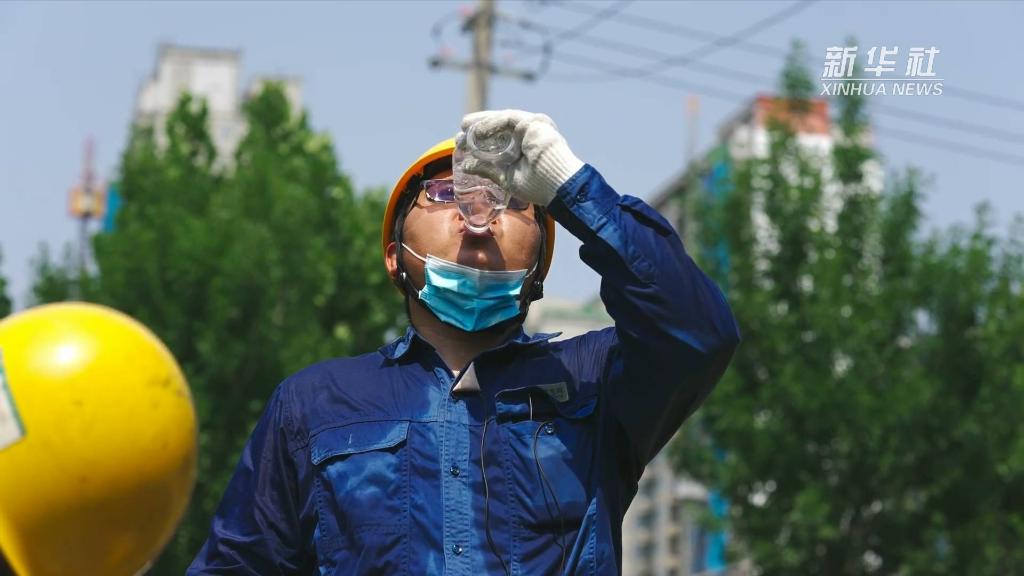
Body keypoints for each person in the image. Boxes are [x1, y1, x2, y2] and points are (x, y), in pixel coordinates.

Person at [187, 110, 740, 575]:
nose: (479, 218)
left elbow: (698, 331)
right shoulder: (315, 405)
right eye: (446, 193)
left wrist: (568, 185)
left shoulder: (592, 381)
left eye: (512, 202)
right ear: (393, 256)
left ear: (540, 268)